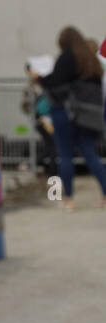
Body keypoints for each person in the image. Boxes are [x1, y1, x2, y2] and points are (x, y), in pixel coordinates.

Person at [34, 25, 106, 210]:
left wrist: (39, 78)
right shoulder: (91, 61)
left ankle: (68, 199)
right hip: (89, 115)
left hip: (64, 114)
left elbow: (53, 83)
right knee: (91, 156)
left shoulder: (66, 58)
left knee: (64, 156)